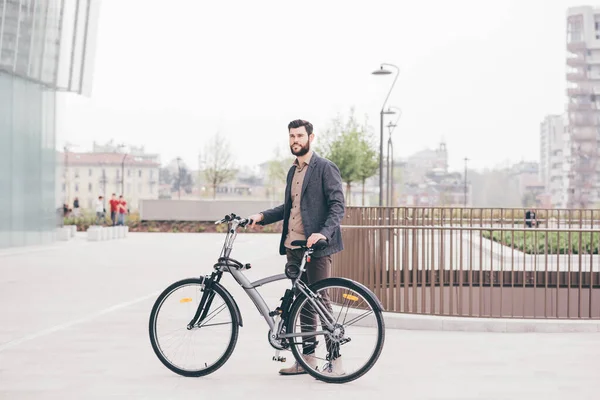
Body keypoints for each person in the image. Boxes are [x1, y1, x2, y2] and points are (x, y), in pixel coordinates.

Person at [247, 119, 345, 377]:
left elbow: (337, 206)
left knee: (320, 301)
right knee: (303, 304)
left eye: (300, 135)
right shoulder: (293, 171)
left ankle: (335, 361)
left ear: (311, 138)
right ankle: (307, 360)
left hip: (317, 248)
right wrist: (262, 216)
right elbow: (287, 208)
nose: (295, 140)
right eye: (291, 136)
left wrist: (322, 234)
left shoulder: (325, 168)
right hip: (294, 247)